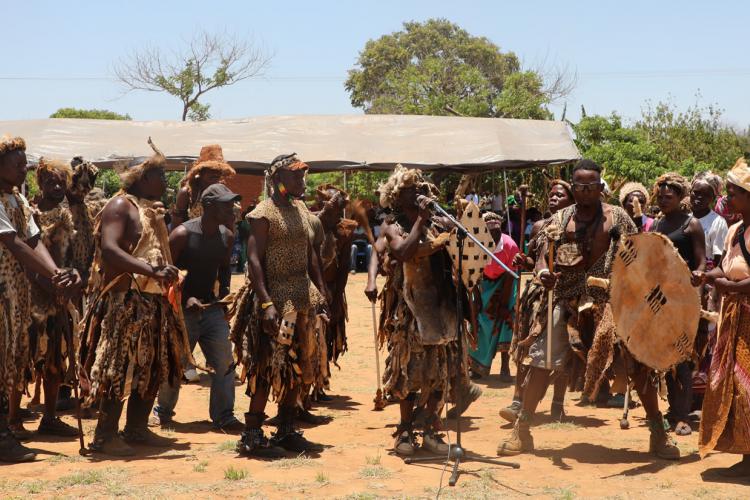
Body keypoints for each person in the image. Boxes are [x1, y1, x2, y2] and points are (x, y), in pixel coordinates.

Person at [496, 159, 679, 460]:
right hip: (565, 299)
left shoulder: (616, 217)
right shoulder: (560, 219)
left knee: (638, 364)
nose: (584, 192)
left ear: (599, 187)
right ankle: (522, 429)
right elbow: (543, 255)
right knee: (542, 360)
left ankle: (658, 434)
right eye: (579, 186)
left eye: (590, 187)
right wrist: (543, 273)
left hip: (611, 301)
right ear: (574, 186)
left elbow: (639, 254)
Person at [80, 139, 188, 456]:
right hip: (125, 302)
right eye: (160, 176)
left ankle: (137, 429)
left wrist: (165, 276)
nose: (165, 182)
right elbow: (110, 251)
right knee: (119, 368)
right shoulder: (120, 207)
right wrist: (151, 270)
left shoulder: (152, 211)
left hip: (155, 303)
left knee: (152, 367)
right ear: (143, 177)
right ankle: (105, 435)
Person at [230, 153, 328, 457]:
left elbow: (311, 255)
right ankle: (252, 434)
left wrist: (322, 296)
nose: (302, 181)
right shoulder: (262, 214)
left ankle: (286, 429)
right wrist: (266, 303)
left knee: (299, 365)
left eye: (302, 176)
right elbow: (254, 260)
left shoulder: (300, 209)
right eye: (295, 176)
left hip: (303, 299)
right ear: (277, 179)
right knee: (267, 366)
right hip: (276, 299)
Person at [0, 135, 80, 462]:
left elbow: (34, 240)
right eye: (17, 163)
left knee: (10, 360)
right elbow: (14, 243)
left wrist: (58, 273)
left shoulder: (17, 200)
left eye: (24, 162)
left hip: (15, 296)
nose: (24, 168)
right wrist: (52, 275)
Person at [377, 165, 464, 456]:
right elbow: (403, 252)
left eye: (419, 188)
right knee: (409, 374)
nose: (416, 194)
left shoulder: (439, 223)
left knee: (439, 373)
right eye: (408, 191)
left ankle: (429, 430)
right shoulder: (392, 225)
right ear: (396, 197)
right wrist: (421, 221)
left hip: (441, 306)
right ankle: (404, 432)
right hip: (411, 311)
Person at [151, 183, 242, 432]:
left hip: (211, 310)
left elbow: (224, 269)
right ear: (209, 206)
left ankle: (224, 415)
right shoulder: (182, 235)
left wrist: (223, 297)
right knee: (175, 363)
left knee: (224, 362)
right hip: (182, 312)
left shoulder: (227, 235)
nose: (232, 209)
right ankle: (163, 411)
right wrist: (184, 298)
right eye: (226, 204)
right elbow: (166, 272)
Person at [500, 179, 574, 423]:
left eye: (560, 195)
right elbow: (533, 259)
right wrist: (524, 262)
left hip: (564, 294)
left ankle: (558, 403)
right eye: (551, 195)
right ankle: (518, 399)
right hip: (536, 295)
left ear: (571, 200)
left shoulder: (575, 227)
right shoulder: (539, 226)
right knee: (526, 346)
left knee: (561, 349)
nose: (553, 198)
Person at [696, 157, 750, 478]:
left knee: (747, 388)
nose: (728, 199)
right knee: (731, 383)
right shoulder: (734, 230)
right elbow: (725, 267)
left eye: (735, 193)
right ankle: (745, 455)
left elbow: (739, 279)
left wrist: (729, 285)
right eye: (728, 193)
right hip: (732, 316)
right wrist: (705, 274)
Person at [651, 173, 706, 436]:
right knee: (666, 359)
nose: (663, 200)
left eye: (668, 196)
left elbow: (702, 261)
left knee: (682, 358)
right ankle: (672, 411)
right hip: (660, 300)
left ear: (680, 197)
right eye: (660, 196)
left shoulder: (691, 225)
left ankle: (683, 416)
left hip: (684, 300)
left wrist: (698, 275)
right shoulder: (657, 225)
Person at [468, 212, 519, 380]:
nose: (494, 236)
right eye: (490, 232)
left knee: (505, 319)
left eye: (497, 232)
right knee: (480, 320)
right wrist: (476, 300)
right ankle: (476, 366)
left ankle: (505, 366)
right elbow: (473, 274)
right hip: (484, 283)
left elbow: (511, 276)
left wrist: (503, 303)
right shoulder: (476, 244)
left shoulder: (510, 246)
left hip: (506, 283)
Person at [171, 144, 236, 228]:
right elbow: (176, 225)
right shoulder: (187, 193)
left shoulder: (223, 193)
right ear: (201, 171)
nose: (216, 173)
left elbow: (230, 227)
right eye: (211, 169)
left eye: (219, 170)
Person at [691, 173, 728, 268]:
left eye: (706, 195)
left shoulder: (718, 222)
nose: (699, 197)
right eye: (696, 192)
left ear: (713, 199)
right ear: (690, 192)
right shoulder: (683, 218)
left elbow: (719, 260)